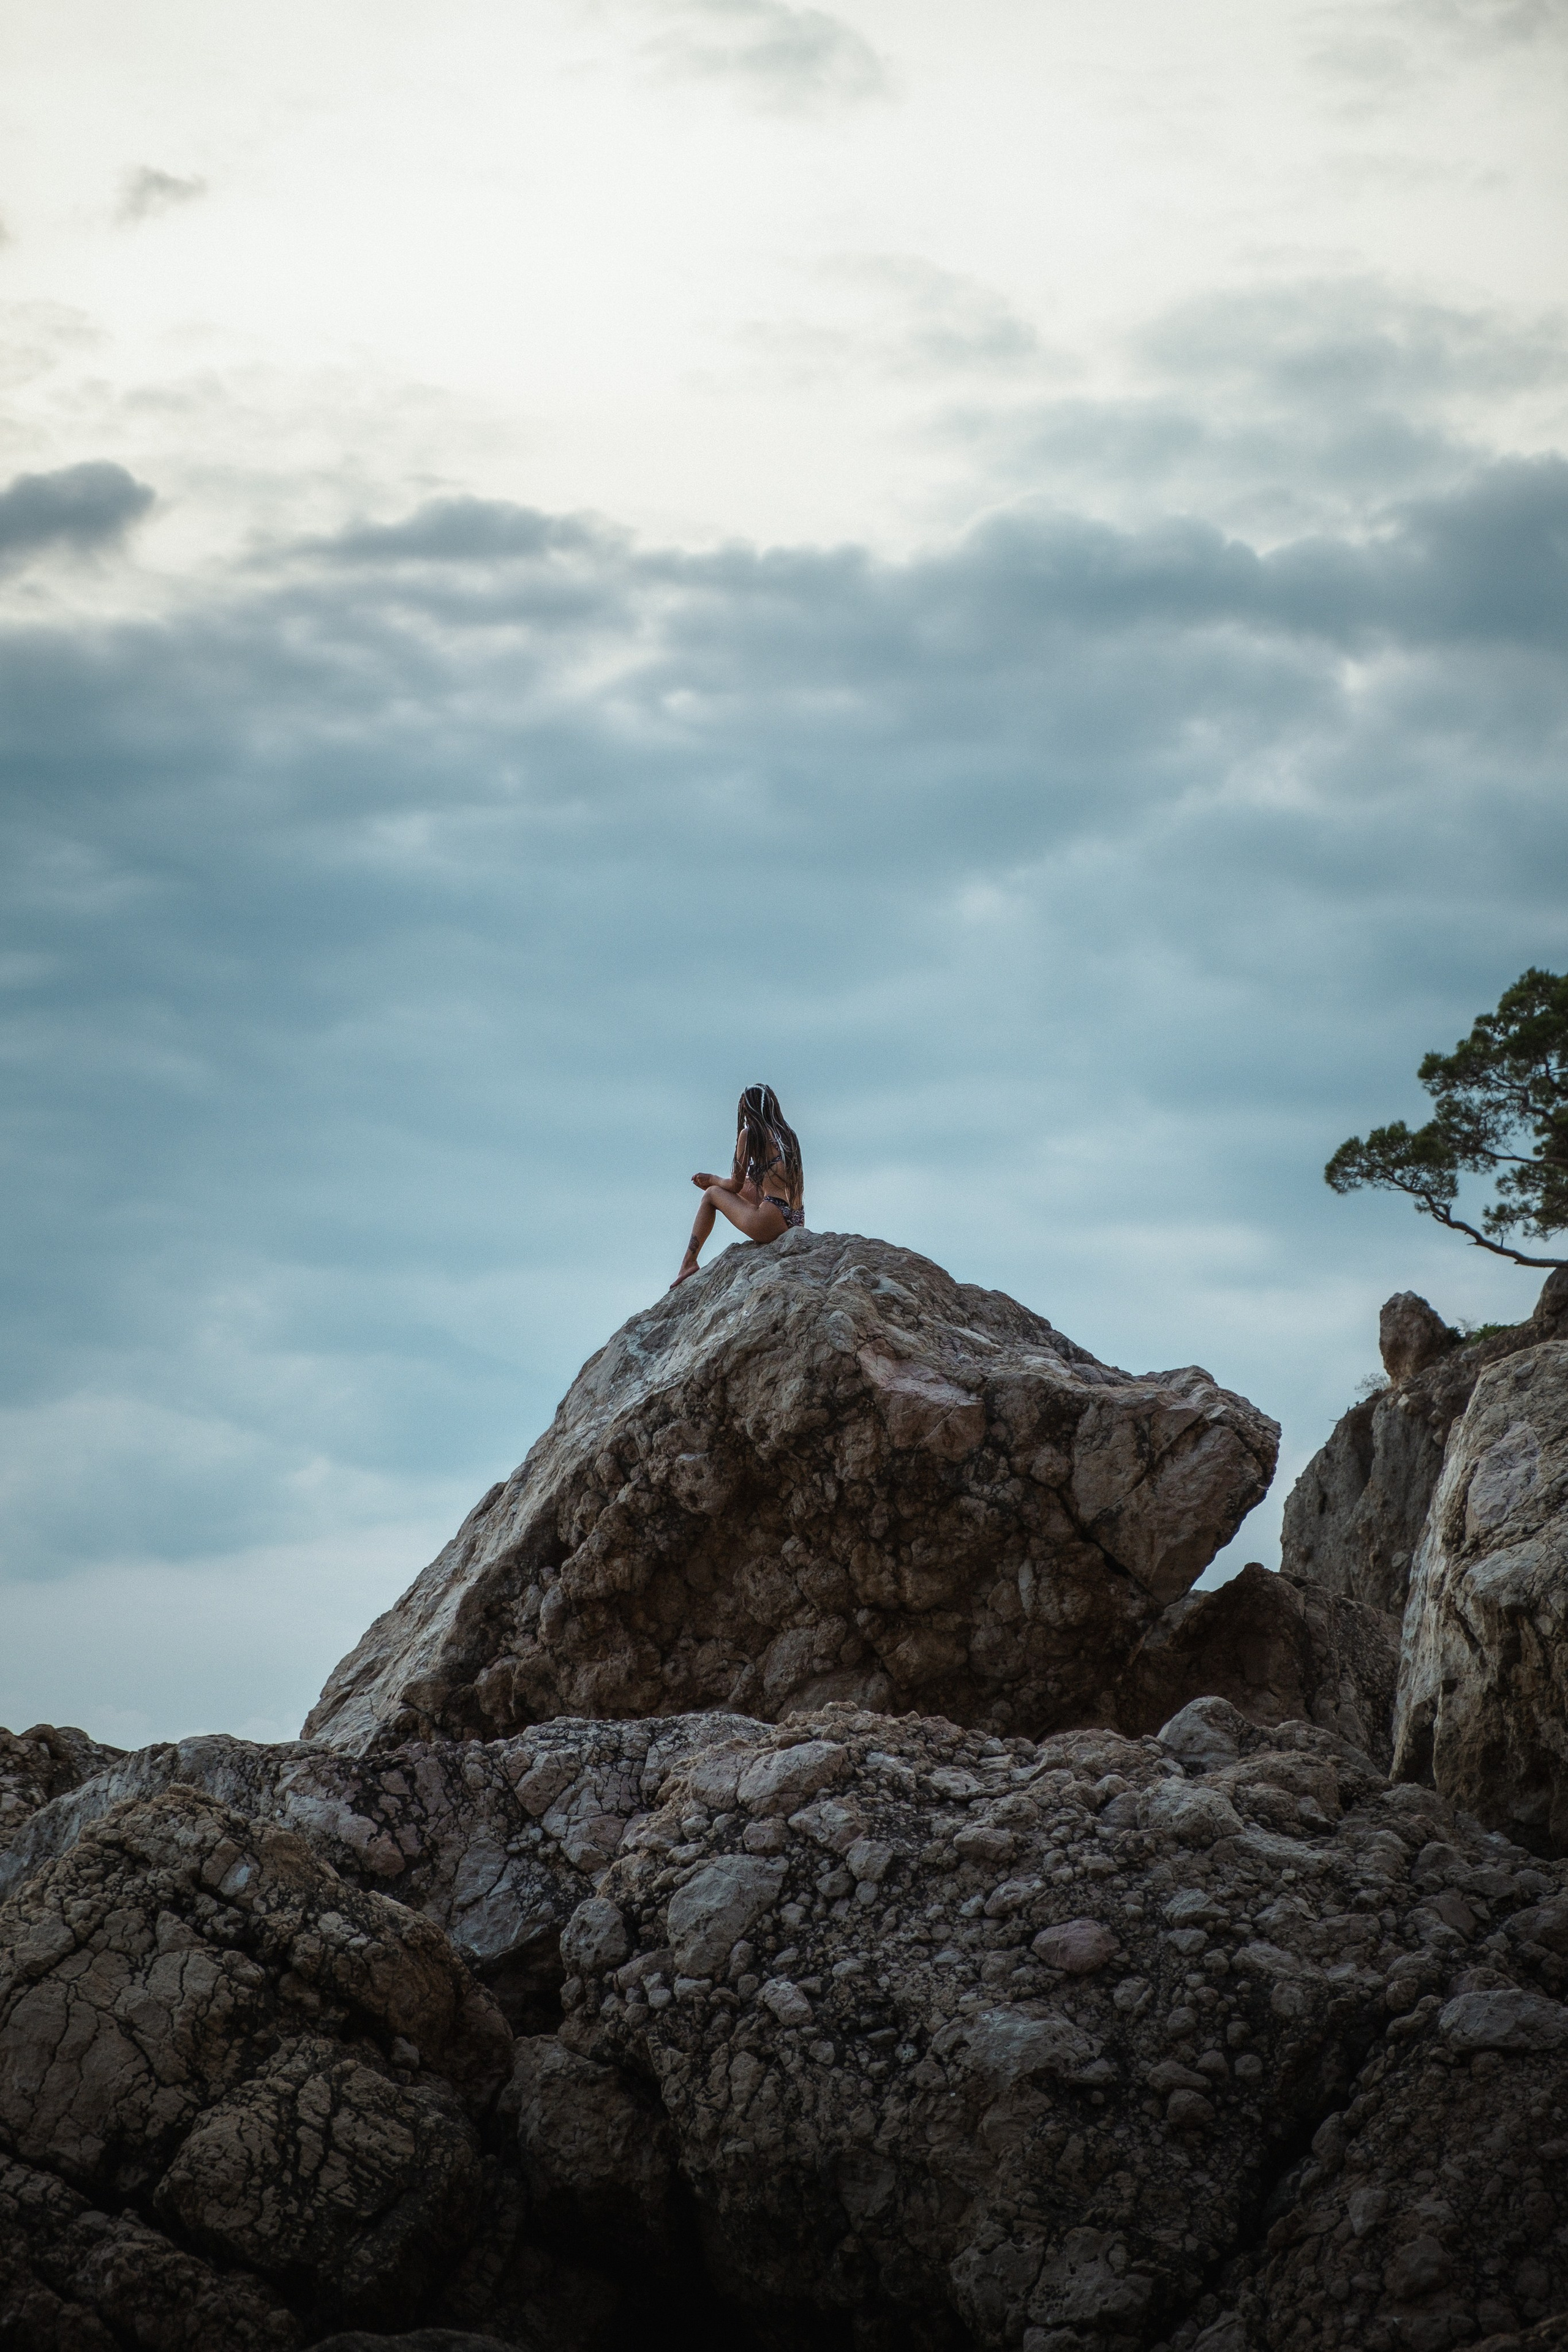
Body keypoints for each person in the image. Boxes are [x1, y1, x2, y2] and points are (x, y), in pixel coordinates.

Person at [672, 1082, 805, 1287]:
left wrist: (713, 1180)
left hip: (770, 1220)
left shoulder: (750, 1134)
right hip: (796, 1219)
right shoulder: (788, 1135)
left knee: (712, 1194)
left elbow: (735, 1184)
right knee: (750, 1184)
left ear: (747, 1110)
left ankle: (688, 1263)